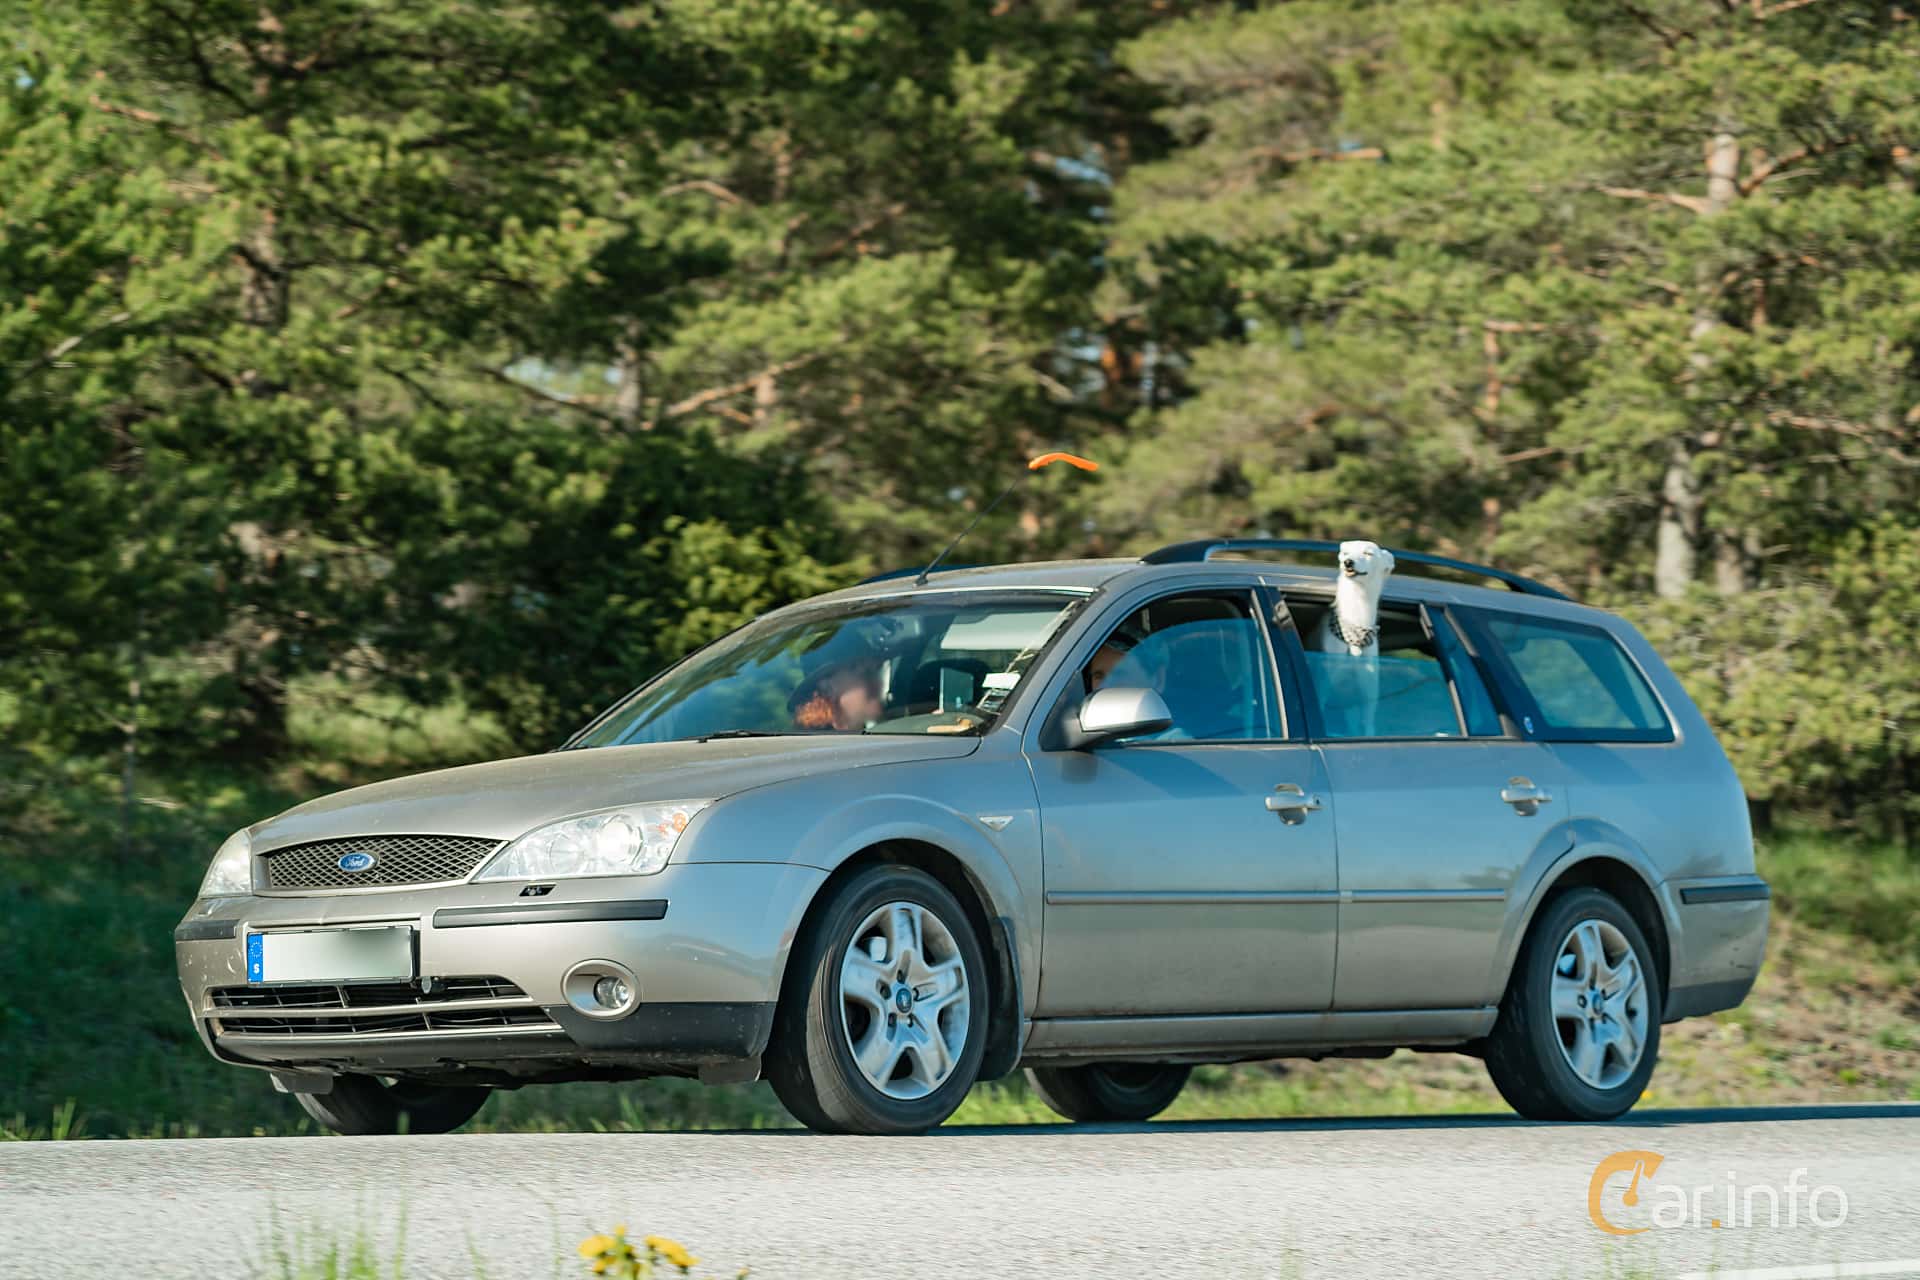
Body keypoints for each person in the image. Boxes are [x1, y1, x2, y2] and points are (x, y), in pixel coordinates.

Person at [790, 659, 885, 732]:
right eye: (866, 674)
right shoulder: (822, 751)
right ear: (827, 689)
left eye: (877, 671)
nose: (879, 683)